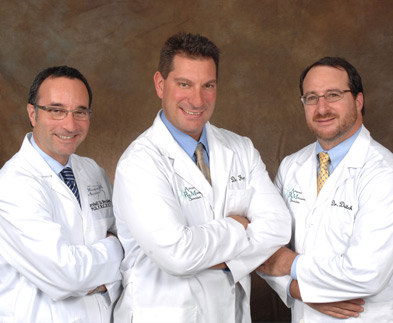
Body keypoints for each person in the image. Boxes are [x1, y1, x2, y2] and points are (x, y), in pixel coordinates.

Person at [112, 32, 291, 323]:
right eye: (184, 84)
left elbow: (279, 227)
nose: (197, 100)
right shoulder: (139, 163)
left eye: (208, 85)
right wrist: (238, 227)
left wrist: (213, 256)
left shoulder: (240, 148)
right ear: (160, 84)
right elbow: (177, 255)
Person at [258, 57, 393, 322]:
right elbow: (262, 247)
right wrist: (297, 290)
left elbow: (367, 274)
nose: (322, 108)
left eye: (333, 95)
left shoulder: (384, 173)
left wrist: (291, 264)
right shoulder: (290, 166)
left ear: (358, 100)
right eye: (311, 97)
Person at [0, 66, 123, 322]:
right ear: (32, 113)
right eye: (56, 110)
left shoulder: (92, 171)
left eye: (80, 112)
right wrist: (116, 248)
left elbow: (133, 243)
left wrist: (90, 275)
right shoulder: (12, 185)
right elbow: (66, 274)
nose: (70, 124)